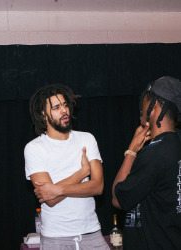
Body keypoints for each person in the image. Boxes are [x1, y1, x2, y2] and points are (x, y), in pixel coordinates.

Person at [24, 84, 109, 250]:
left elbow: (98, 187)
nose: (64, 110)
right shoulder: (34, 148)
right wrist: (83, 172)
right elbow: (50, 199)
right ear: (43, 114)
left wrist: (56, 189)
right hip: (56, 238)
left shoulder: (87, 139)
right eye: (56, 107)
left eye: (65, 105)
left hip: (91, 233)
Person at [112, 76, 181, 250]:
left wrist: (132, 150)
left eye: (145, 100)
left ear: (155, 106)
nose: (141, 106)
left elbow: (117, 199)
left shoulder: (155, 153)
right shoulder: (174, 145)